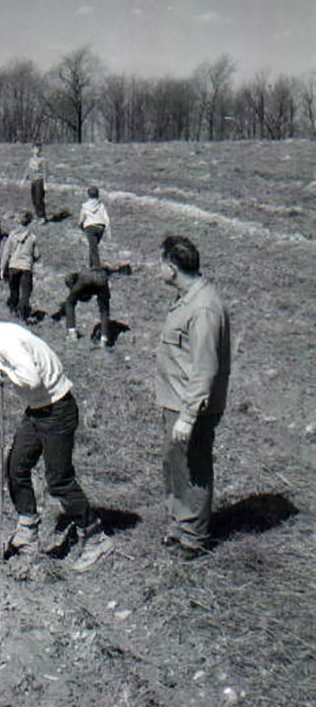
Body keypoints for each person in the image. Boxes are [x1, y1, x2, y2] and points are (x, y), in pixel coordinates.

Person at [0, 322, 115, 571]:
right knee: (16, 466)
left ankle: (95, 537)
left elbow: (33, 379)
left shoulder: (5, 345)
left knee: (59, 481)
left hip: (57, 410)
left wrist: (0, 368)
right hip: (38, 412)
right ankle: (27, 533)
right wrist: (1, 370)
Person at [156, 236, 230, 558]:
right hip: (175, 401)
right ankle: (178, 526)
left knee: (194, 468)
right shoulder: (187, 298)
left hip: (191, 406)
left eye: (161, 262)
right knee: (176, 466)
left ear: (172, 268)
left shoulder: (203, 308)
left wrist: (188, 416)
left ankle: (194, 538)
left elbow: (204, 367)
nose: (158, 268)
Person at [0, 210, 39, 321]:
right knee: (25, 292)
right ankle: (23, 314)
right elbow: (37, 254)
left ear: (18, 221)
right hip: (26, 267)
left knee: (14, 290)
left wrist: (2, 268)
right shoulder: (32, 237)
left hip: (13, 266)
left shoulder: (12, 235)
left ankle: (13, 311)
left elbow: (6, 253)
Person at [63, 268, 111, 347]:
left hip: (86, 278)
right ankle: (103, 340)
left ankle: (72, 333)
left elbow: (68, 278)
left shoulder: (75, 277)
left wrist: (75, 292)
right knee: (104, 311)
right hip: (102, 279)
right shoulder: (84, 274)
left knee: (69, 302)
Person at [78, 186, 111, 268]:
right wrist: (107, 229)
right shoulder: (101, 205)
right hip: (100, 227)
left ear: (88, 195)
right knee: (93, 246)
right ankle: (91, 266)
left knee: (93, 247)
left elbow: (81, 218)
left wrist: (80, 225)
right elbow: (106, 218)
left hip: (90, 227)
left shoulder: (85, 206)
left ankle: (97, 268)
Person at [21, 143, 48, 223]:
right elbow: (28, 170)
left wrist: (45, 183)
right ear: (32, 150)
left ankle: (42, 216)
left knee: (39, 199)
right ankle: (37, 215)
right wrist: (24, 179)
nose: (36, 151)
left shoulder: (42, 160)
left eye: (38, 149)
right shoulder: (31, 160)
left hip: (39, 181)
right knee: (34, 199)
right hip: (33, 181)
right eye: (35, 149)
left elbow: (44, 172)